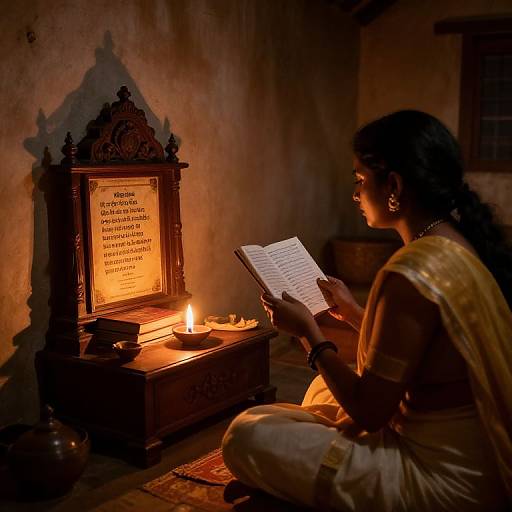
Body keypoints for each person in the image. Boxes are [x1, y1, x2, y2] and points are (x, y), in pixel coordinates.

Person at [221, 110, 512, 511]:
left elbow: (370, 411)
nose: (356, 195)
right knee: (321, 390)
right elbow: (426, 350)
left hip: (441, 477)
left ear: (393, 185)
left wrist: (308, 332)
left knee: (244, 436)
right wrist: (356, 313)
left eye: (360, 181)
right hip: (472, 453)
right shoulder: (453, 242)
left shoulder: (411, 273)